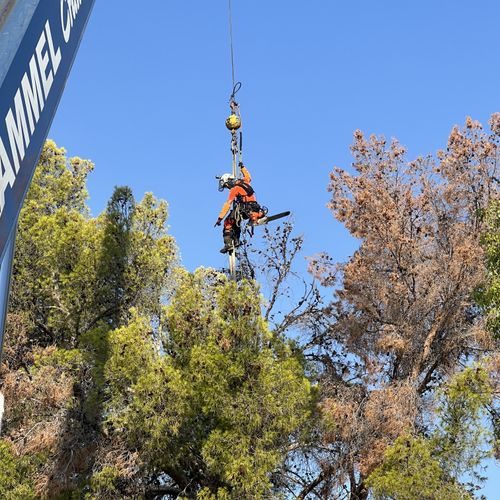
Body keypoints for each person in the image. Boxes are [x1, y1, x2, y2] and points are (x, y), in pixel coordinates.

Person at [214, 163, 265, 253]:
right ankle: (237, 241)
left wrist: (219, 218)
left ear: (228, 182)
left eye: (226, 185)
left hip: (245, 210)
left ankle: (228, 244)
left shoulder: (235, 189)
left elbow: (227, 204)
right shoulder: (245, 182)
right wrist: (242, 167)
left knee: (228, 223)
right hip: (255, 209)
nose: (228, 188)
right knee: (235, 222)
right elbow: (248, 176)